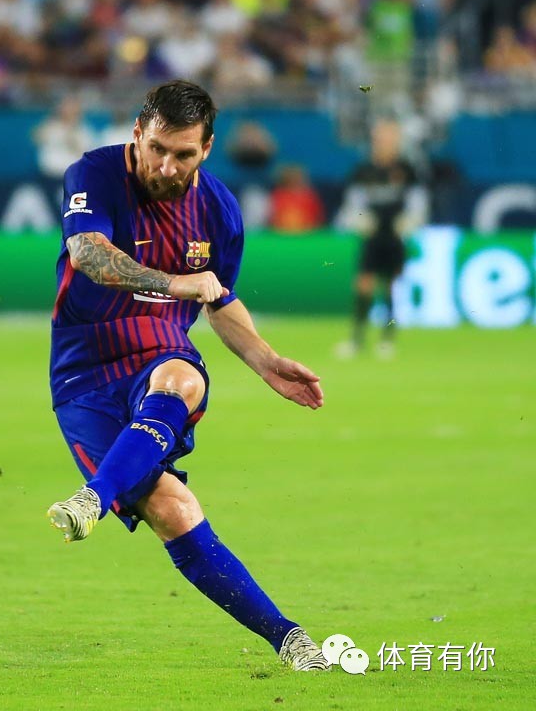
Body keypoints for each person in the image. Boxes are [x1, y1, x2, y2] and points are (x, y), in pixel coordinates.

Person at [45, 80, 330, 671]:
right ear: (138, 133)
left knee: (182, 378)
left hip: (159, 345)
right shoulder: (95, 172)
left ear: (207, 148)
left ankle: (293, 642)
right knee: (172, 509)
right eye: (156, 148)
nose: (166, 166)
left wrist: (265, 360)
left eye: (183, 154)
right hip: (82, 368)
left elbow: (219, 301)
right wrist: (177, 284)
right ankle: (281, 633)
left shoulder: (219, 211)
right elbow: (88, 255)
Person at [334, 119, 427, 359]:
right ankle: (357, 340)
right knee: (363, 284)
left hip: (394, 236)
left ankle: (387, 340)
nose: (385, 143)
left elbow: (418, 201)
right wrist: (358, 220)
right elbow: (352, 203)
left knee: (390, 286)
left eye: (390, 138)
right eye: (381, 138)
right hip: (372, 237)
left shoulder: (406, 169)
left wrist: (410, 221)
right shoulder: (363, 170)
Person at [33, 97, 97, 181]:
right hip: (48, 174)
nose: (68, 111)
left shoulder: (84, 130)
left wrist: (72, 135)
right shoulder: (51, 126)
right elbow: (36, 138)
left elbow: (86, 156)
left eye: (73, 109)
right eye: (66, 107)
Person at [267, 164, 325, 232]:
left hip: (306, 233)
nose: (296, 181)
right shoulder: (277, 196)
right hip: (279, 233)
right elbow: (271, 218)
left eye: (298, 178)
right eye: (292, 179)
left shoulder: (310, 197)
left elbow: (318, 218)